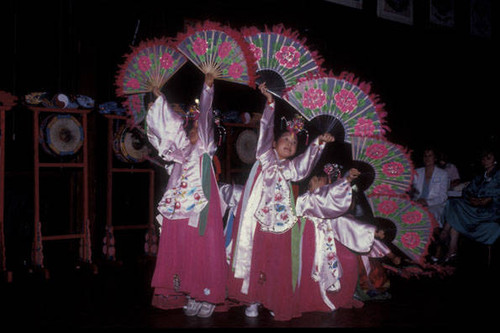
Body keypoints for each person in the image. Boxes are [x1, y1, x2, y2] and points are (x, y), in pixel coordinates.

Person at [226, 83, 335, 321]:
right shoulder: (265, 157)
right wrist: (270, 104)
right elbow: (265, 129)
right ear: (274, 143)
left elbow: (305, 164)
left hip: (283, 222)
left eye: (294, 143)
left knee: (278, 263)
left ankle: (274, 299)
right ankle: (253, 299)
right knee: (256, 258)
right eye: (285, 138)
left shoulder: (291, 169)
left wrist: (319, 143)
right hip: (258, 219)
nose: (289, 143)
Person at [147, 73, 227, 318]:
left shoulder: (205, 145)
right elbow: (169, 127)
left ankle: (208, 294)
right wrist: (159, 98)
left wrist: (207, 87)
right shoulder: (182, 147)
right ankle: (192, 292)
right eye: (190, 127)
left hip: (202, 201)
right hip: (180, 204)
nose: (194, 129)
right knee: (185, 246)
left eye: (197, 127)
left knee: (203, 245)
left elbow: (205, 115)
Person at [294, 167, 379, 314]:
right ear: (312, 181)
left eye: (326, 184)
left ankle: (339, 296)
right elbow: (327, 197)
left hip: (326, 242)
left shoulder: (326, 204)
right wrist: (346, 179)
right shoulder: (304, 199)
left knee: (349, 258)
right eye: (320, 181)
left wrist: (370, 232)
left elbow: (344, 222)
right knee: (311, 266)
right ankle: (311, 297)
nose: (324, 186)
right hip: (307, 242)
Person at [440, 148, 500, 262]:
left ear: (495, 160)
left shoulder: (498, 174)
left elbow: (496, 194)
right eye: (483, 158)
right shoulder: (481, 176)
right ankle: (452, 248)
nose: (485, 161)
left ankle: (445, 231)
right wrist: (472, 199)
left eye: (489, 158)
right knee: (453, 202)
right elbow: (468, 190)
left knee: (457, 208)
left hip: (490, 211)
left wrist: (486, 199)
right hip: (475, 208)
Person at [411, 147, 449, 227]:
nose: (427, 158)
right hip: (417, 202)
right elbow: (412, 191)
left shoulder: (442, 174)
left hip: (435, 204)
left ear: (435, 158)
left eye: (430, 156)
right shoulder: (417, 172)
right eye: (425, 156)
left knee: (428, 215)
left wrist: (427, 202)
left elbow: (443, 196)